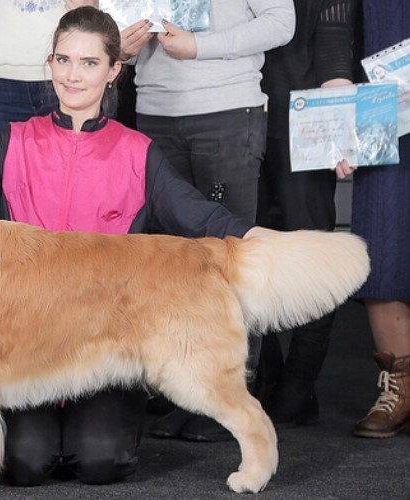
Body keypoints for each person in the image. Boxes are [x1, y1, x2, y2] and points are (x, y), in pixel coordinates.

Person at [0, 6, 276, 485]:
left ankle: (256, 440)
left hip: (107, 346)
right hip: (27, 349)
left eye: (90, 63)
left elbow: (195, 212)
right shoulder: (12, 142)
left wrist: (255, 237)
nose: (73, 75)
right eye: (64, 60)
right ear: (49, 63)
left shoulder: (138, 151)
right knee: (25, 464)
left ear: (115, 70)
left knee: (99, 462)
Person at [117, 0, 296, 442]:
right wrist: (121, 49)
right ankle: (187, 391)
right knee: (170, 268)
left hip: (227, 109)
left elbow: (281, 22)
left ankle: (232, 394)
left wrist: (200, 45)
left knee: (231, 257)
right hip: (155, 110)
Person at [255, 0, 357, 428]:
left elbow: (335, 37)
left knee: (314, 253)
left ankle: (300, 384)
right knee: (243, 253)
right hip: (229, 114)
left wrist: (339, 124)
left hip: (308, 122)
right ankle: (264, 375)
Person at [335, 0, 410, 439]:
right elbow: (331, 31)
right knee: (383, 240)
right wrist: (336, 118)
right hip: (382, 107)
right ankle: (399, 385)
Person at [0, 0, 96, 143]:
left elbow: (101, 16)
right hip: (2, 80)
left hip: (66, 75)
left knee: (71, 161)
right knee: (4, 162)